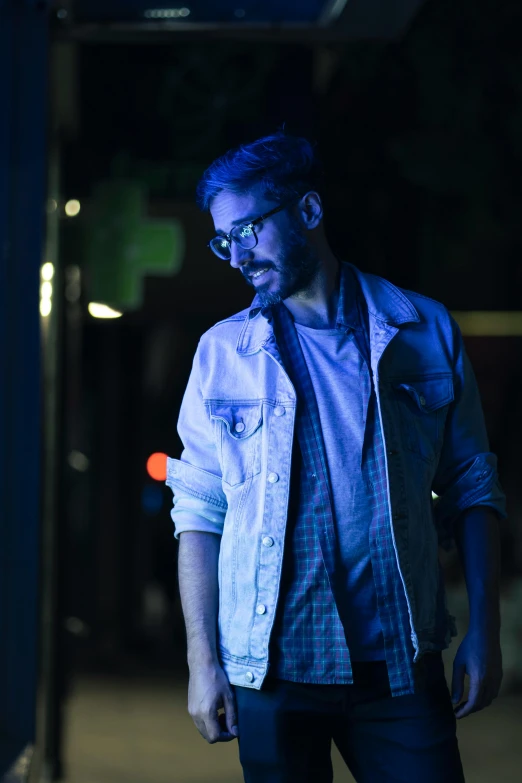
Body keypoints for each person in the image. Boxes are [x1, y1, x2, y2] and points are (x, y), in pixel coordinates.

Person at [166, 132, 507, 783]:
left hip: (398, 665)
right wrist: (201, 660)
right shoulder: (222, 354)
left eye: (248, 231)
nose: (237, 256)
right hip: (270, 669)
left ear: (309, 212)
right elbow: (200, 512)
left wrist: (484, 630)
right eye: (223, 240)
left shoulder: (422, 328)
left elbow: (473, 487)